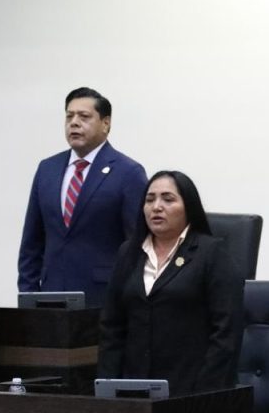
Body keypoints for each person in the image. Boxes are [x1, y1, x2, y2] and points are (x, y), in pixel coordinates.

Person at [98, 170, 243, 395]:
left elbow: (226, 332)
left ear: (188, 207)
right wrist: (108, 387)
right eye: (149, 200)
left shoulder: (212, 253)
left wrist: (206, 393)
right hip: (133, 390)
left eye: (168, 199)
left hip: (190, 390)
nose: (156, 207)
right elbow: (112, 326)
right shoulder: (128, 253)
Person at [18, 87, 147, 307]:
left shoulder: (128, 172)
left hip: (104, 300)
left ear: (105, 123)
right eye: (69, 116)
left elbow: (138, 244)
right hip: (50, 297)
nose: (74, 123)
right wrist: (29, 294)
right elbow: (32, 241)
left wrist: (130, 302)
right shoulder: (47, 169)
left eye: (84, 116)